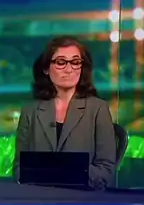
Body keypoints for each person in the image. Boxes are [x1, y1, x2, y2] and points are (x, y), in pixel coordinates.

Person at [13, 35, 116, 189]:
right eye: (61, 62)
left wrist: (63, 173)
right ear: (46, 69)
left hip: (82, 197)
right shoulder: (30, 111)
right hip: (39, 197)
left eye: (75, 62)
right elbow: (19, 168)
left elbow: (106, 171)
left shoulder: (98, 109)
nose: (69, 69)